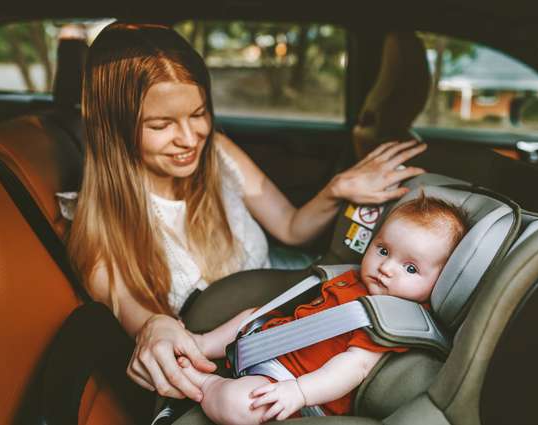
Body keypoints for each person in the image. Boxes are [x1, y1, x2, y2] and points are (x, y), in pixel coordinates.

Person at [67, 21, 428, 404]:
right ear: (113, 129)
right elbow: (135, 312)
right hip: (252, 358)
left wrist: (337, 189)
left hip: (295, 302)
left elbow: (292, 228)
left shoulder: (218, 151)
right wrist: (155, 327)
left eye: (199, 114)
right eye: (161, 125)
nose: (189, 139)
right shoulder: (98, 229)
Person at [173, 195, 467, 424]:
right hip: (268, 347)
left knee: (243, 404)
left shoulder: (393, 319)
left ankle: (206, 384)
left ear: (441, 281)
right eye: (383, 250)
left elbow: (353, 367)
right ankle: (202, 343)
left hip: (293, 386)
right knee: (254, 312)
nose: (386, 268)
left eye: (411, 267)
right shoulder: (352, 278)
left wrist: (300, 391)